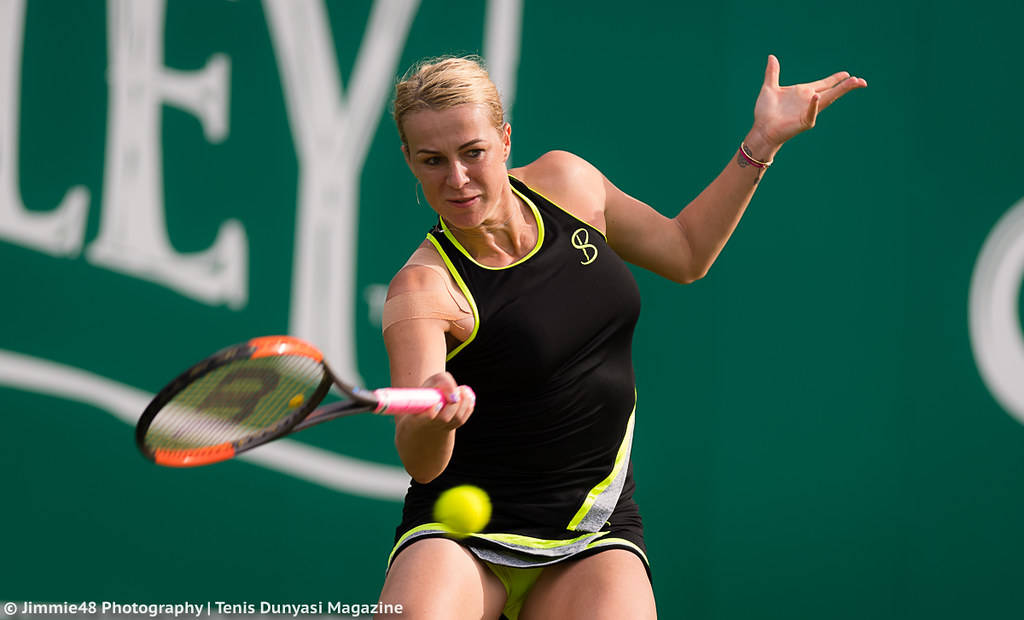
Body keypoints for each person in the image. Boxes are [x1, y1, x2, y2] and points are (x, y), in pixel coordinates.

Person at [375, 55, 866, 620]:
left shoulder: (569, 185)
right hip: (461, 539)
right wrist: (435, 420)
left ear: (505, 139)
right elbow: (421, 461)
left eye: (473, 152)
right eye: (433, 160)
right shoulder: (422, 289)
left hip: (590, 531)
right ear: (409, 160)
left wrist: (761, 142)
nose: (457, 179)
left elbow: (685, 252)